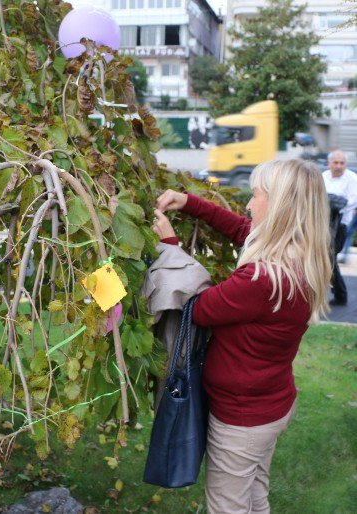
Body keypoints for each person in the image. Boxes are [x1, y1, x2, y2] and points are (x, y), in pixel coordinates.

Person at [151, 159, 332, 514]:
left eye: (256, 196)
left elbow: (199, 309)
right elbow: (242, 229)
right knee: (253, 496)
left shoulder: (263, 278)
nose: (249, 205)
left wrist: (171, 246)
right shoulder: (300, 254)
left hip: (242, 420)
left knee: (228, 506)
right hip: (270, 404)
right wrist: (190, 203)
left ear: (279, 204)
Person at [322, 150, 357, 305]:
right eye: (335, 162)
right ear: (329, 163)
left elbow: (350, 202)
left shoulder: (352, 179)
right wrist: (335, 202)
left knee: (330, 259)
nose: (339, 166)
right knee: (327, 260)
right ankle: (338, 295)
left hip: (340, 226)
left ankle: (341, 295)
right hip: (323, 224)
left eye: (342, 163)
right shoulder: (323, 177)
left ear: (346, 164)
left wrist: (331, 202)